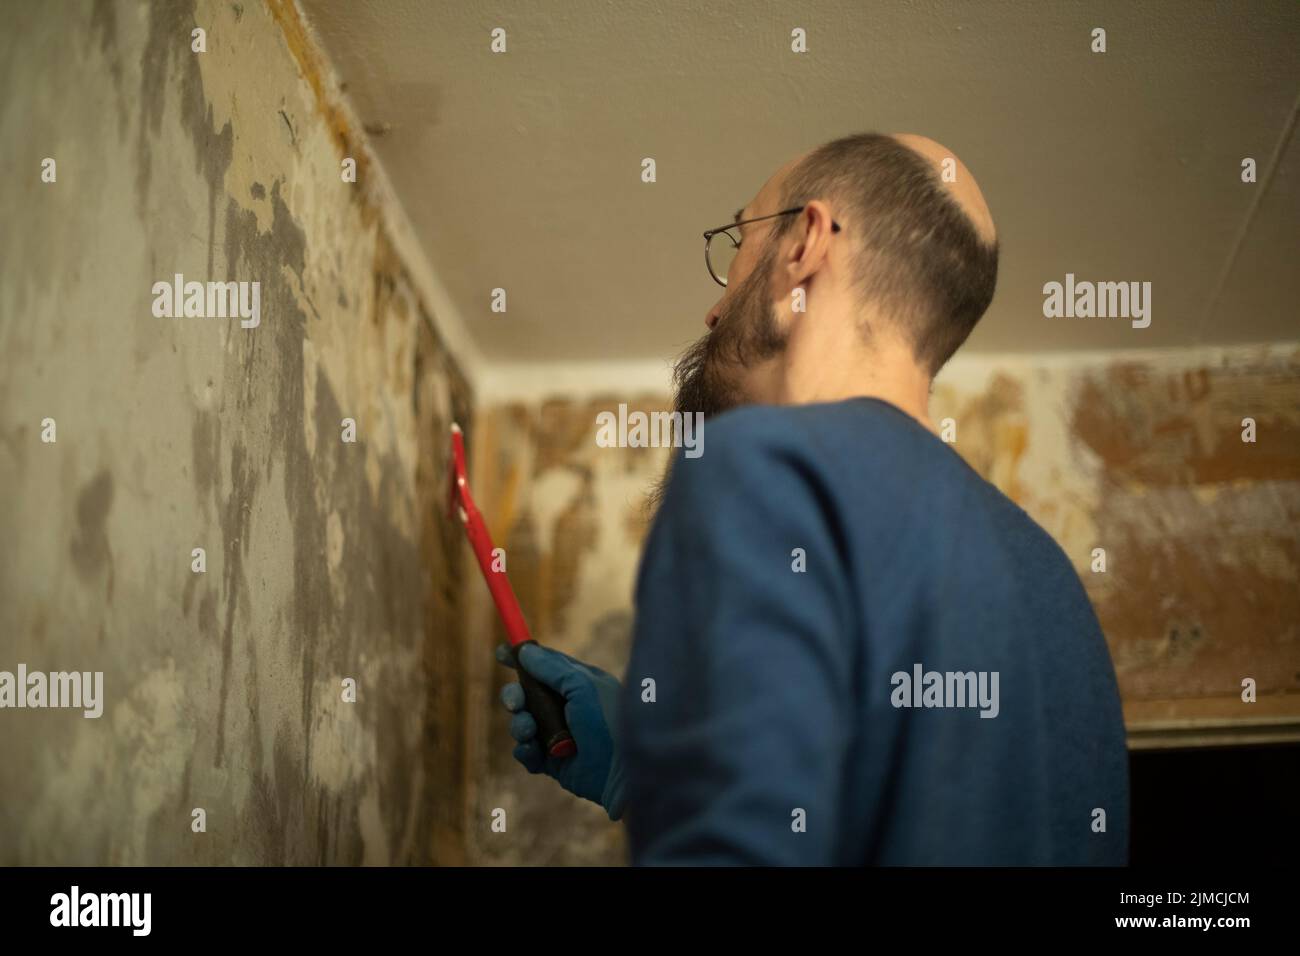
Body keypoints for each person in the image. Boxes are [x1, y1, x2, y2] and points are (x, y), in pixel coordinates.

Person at [495, 132, 1129, 865]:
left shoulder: (769, 466)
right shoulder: (1055, 588)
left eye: (737, 242)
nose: (712, 311)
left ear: (805, 246)